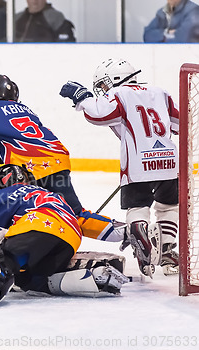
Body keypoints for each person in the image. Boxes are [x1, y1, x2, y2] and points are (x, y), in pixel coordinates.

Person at [0, 74, 127, 256]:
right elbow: (25, 141)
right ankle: (126, 231)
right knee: (73, 214)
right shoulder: (25, 110)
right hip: (56, 161)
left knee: (13, 209)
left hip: (34, 170)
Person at [59, 58, 179, 277]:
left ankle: (139, 231)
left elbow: (99, 114)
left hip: (138, 165)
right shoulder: (161, 92)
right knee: (169, 206)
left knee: (138, 207)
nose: (104, 90)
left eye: (104, 84)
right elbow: (180, 124)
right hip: (169, 162)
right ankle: (168, 252)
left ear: (115, 79)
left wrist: (82, 96)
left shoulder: (119, 94)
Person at [0, 164, 129, 306]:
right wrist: (126, 231)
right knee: (26, 279)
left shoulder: (3, 195)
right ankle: (90, 272)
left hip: (37, 229)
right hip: (69, 241)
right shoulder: (51, 195)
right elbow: (81, 218)